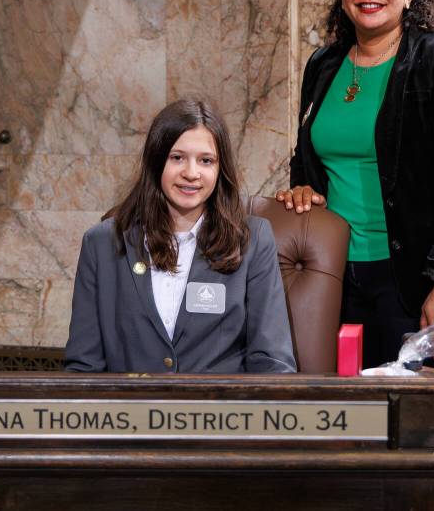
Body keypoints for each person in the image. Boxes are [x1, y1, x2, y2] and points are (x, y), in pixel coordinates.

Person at [276, 0, 434, 372]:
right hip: (331, 276)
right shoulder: (323, 65)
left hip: (415, 279)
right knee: (340, 415)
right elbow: (310, 154)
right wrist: (301, 188)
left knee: (409, 417)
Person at [65, 99, 297, 373]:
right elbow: (83, 367)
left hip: (222, 413)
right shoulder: (101, 244)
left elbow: (272, 363)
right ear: (156, 160)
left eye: (206, 161)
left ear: (220, 169)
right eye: (177, 158)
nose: (191, 173)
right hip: (131, 413)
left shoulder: (253, 240)